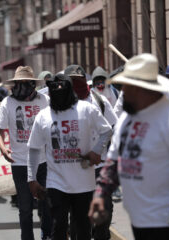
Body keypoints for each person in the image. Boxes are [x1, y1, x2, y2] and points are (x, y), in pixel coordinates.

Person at [88, 53, 169, 240]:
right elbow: (113, 162)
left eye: (128, 86)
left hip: (167, 216)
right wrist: (101, 194)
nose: (123, 90)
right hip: (138, 217)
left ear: (144, 89)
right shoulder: (126, 119)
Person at [28, 73, 113, 240]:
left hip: (84, 183)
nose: (58, 92)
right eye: (54, 89)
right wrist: (31, 178)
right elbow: (34, 148)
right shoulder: (43, 116)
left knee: (82, 228)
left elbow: (107, 130)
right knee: (58, 226)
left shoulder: (86, 109)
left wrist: (96, 151)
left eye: (62, 88)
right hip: (56, 182)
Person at [0, 66, 52, 240]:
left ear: (32, 84)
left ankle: (47, 234)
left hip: (43, 162)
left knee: (47, 203)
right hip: (19, 163)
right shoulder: (8, 103)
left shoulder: (44, 100)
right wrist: (4, 150)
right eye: (19, 83)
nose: (22, 86)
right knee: (25, 209)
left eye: (26, 83)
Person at [65, 64, 118, 240]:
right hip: (74, 169)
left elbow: (114, 126)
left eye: (78, 80)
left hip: (100, 166)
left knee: (105, 211)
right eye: (71, 81)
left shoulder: (98, 100)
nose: (75, 84)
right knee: (78, 215)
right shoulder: (59, 104)